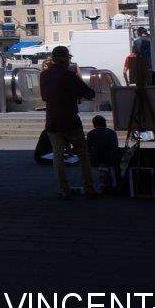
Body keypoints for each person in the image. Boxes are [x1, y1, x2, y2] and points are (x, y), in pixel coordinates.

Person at [39, 46, 98, 200]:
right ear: (65, 59)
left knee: (58, 157)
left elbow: (44, 97)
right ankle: (89, 187)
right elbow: (89, 93)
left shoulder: (44, 75)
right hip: (70, 121)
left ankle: (64, 189)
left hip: (52, 121)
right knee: (83, 155)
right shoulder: (69, 75)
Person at [86, 114, 121, 191]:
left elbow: (88, 148)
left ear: (94, 124)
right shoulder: (112, 133)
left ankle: (100, 185)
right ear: (104, 123)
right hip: (110, 159)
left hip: (96, 160)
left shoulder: (90, 134)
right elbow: (115, 147)